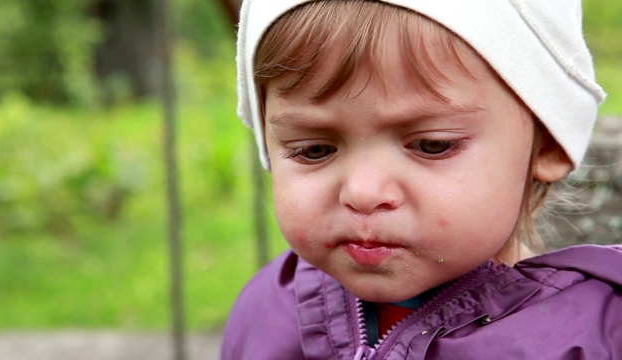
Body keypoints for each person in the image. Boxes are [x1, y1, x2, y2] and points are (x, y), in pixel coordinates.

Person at [222, 1, 622, 359]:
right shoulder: (267, 313)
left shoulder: (593, 341)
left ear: (547, 143)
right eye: (314, 150)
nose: (363, 193)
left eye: (431, 145)